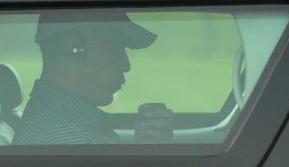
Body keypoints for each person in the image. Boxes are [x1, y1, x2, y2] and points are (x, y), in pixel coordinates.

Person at [13, 11, 174, 145]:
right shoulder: (66, 139)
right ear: (76, 49)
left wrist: (149, 147)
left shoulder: (64, 126)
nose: (126, 65)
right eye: (115, 50)